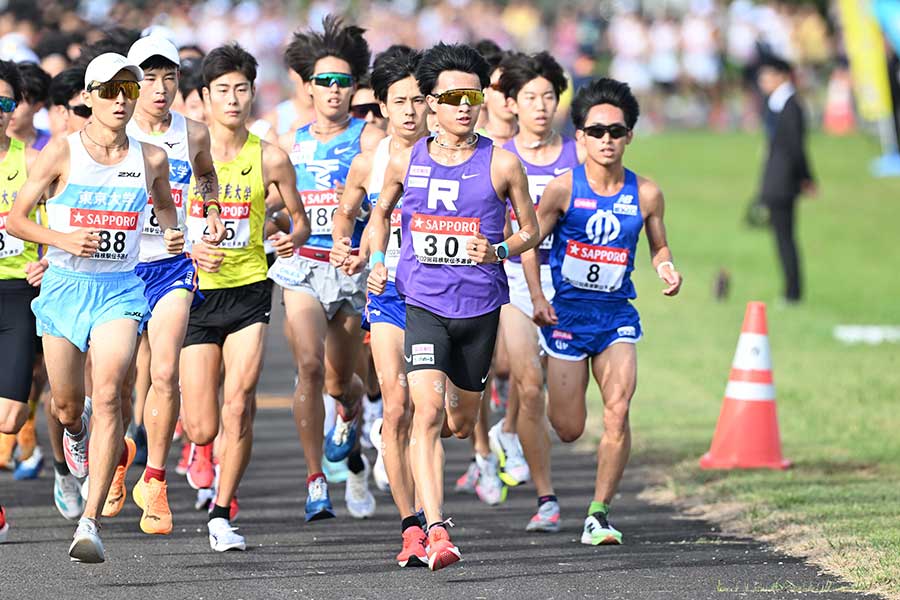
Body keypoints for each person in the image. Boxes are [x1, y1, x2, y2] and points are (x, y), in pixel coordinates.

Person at [367, 42, 539, 570]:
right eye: (453, 97)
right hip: (421, 303)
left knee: (459, 423)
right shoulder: (404, 158)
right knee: (424, 410)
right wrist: (377, 258)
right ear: (432, 102)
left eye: (473, 95)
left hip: (479, 310)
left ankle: (443, 457)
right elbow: (380, 215)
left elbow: (531, 231)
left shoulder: (503, 163)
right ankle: (435, 529)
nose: (465, 106)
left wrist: (499, 249)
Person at [8, 52, 184, 562]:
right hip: (64, 288)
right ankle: (76, 432)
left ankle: (90, 522)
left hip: (119, 290)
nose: (120, 100)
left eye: (128, 91)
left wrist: (174, 233)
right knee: (66, 405)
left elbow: (167, 206)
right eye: (109, 91)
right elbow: (17, 219)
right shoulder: (61, 152)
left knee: (109, 394)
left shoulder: (151, 157)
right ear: (88, 97)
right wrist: (62, 237)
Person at [524, 78, 682, 546]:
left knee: (617, 411)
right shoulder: (561, 189)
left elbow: (658, 245)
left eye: (616, 131)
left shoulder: (647, 193)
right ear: (581, 137)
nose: (607, 140)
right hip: (566, 319)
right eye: (597, 131)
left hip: (616, 317)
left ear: (629, 135)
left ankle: (599, 513)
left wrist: (666, 267)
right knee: (569, 429)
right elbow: (528, 242)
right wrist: (537, 297)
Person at [179, 43, 309, 553]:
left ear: (253, 93)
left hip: (250, 289)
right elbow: (159, 220)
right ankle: (198, 453)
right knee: (202, 423)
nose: (233, 99)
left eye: (241, 89)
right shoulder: (185, 154)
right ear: (205, 97)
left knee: (238, 405)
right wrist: (190, 245)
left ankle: (221, 511)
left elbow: (297, 222)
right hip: (193, 293)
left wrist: (288, 238)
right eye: (222, 91)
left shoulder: (271, 157)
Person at [267, 15, 384, 523]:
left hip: (352, 271)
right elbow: (274, 203)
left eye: (343, 83)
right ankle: (315, 480)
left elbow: (385, 203)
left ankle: (351, 424)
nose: (334, 91)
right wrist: (272, 224)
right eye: (324, 83)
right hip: (302, 265)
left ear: (353, 88)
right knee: (309, 367)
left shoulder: (370, 139)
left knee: (342, 383)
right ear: (308, 88)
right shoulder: (290, 142)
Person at [330, 45, 430, 566]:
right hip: (388, 295)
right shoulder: (370, 162)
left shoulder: (454, 155)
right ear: (383, 107)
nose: (411, 110)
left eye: (419, 99)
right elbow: (347, 218)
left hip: (445, 297)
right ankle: (413, 526)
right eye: (400, 101)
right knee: (397, 405)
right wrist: (349, 250)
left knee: (450, 417)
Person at [124, 34, 225, 535]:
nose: (159, 88)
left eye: (169, 77)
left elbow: (206, 178)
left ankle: (157, 479)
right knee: (119, 381)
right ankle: (117, 445)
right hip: (118, 268)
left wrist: (209, 211)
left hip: (172, 264)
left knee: (165, 371)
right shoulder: (108, 136)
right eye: (148, 77)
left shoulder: (195, 132)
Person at [495, 50, 584, 530]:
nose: (541, 105)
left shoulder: (578, 153)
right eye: (530, 97)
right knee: (527, 384)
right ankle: (546, 497)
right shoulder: (498, 155)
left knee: (566, 421)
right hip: (512, 280)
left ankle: (514, 432)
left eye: (549, 96)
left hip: (570, 281)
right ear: (512, 103)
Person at [0, 58, 43, 542]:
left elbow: (61, 217)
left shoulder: (31, 161)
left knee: (9, 417)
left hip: (17, 293)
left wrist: (47, 257)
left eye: (4, 103)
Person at [756, 55, 815, 303]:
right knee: (781, 238)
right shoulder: (777, 104)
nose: (762, 82)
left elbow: (796, 148)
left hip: (783, 183)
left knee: (785, 238)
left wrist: (806, 178)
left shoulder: (791, 106)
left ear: (780, 76)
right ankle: (791, 289)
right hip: (776, 181)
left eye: (766, 76)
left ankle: (793, 291)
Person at [7, 61, 51, 150]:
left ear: (38, 106)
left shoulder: (50, 146)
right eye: (7, 100)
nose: (11, 107)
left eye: (19, 102)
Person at [45, 66, 91, 139]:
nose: (93, 117)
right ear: (63, 112)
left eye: (98, 108)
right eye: (84, 111)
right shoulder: (54, 150)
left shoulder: (114, 146)